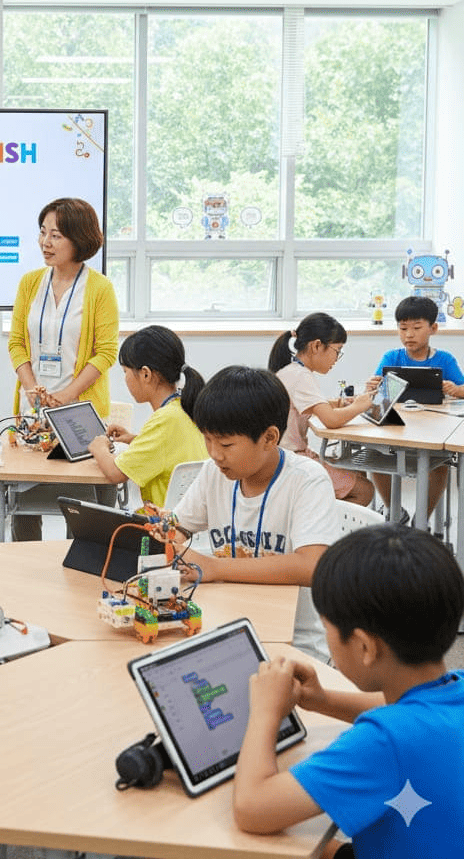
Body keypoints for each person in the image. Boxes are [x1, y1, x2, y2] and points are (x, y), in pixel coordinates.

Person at [233, 523, 464, 858]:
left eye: (327, 626)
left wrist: (265, 712)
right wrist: (323, 700)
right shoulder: (452, 687)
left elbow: (252, 808)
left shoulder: (384, 742)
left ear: (364, 647)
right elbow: (401, 711)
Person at [170, 365, 340, 656]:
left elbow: (313, 566)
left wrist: (215, 567)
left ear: (270, 438)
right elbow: (176, 528)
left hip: (293, 643)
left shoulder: (306, 480)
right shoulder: (214, 473)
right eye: (207, 439)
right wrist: (164, 536)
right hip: (224, 628)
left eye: (226, 444)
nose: (214, 454)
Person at [7, 197, 119, 539]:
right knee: (24, 499)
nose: (46, 242)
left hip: (79, 410)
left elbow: (106, 352)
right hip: (33, 409)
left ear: (79, 238)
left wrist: (67, 395)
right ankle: (25, 562)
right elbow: (16, 343)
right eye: (43, 232)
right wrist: (31, 389)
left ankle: (83, 560)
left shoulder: (99, 288)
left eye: (56, 235)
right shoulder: (30, 283)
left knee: (84, 508)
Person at [366, 295, 464, 523]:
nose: (408, 334)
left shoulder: (444, 360)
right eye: (403, 329)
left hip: (433, 433)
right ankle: (395, 511)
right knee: (374, 457)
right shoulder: (392, 357)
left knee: (440, 468)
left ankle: (421, 520)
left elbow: (463, 389)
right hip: (396, 431)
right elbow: (376, 396)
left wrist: (457, 389)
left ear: (433, 328)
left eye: (416, 328)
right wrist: (371, 386)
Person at [88, 325, 207, 507]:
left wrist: (99, 447)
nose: (125, 379)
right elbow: (172, 448)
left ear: (145, 374)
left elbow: (115, 473)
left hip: (162, 520)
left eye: (125, 372)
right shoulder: (183, 406)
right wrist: (134, 439)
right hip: (184, 517)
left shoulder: (165, 420)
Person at [267, 313, 375, 507]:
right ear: (316, 346)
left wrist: (340, 404)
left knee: (357, 473)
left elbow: (315, 406)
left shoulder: (292, 370)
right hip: (291, 460)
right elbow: (331, 420)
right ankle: (322, 520)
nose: (337, 358)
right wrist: (359, 406)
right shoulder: (301, 376)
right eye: (337, 350)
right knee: (365, 490)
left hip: (282, 456)